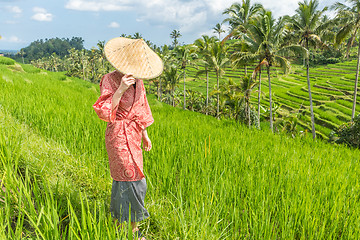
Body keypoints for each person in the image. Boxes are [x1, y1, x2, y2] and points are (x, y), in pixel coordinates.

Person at [93, 37, 163, 240]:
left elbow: (142, 110)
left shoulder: (139, 82)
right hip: (117, 134)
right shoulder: (109, 79)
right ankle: (128, 228)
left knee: (135, 179)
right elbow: (105, 111)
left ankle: (124, 224)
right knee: (129, 179)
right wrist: (121, 88)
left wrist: (145, 135)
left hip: (133, 135)